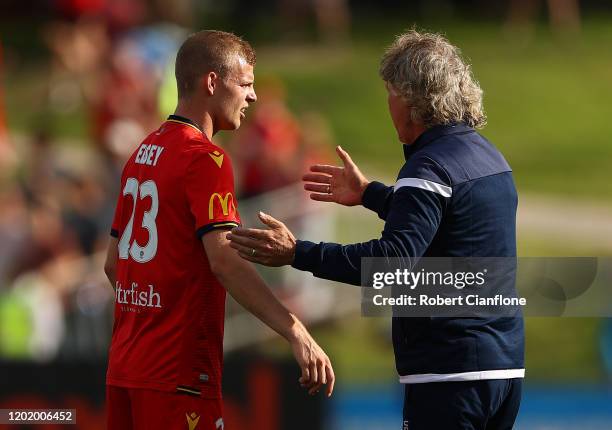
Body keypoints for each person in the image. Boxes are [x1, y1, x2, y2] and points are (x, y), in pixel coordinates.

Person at [228, 30, 524, 429]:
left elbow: (391, 262)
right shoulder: (488, 155)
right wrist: (371, 194)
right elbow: (447, 222)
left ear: (412, 100)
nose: (388, 104)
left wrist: (297, 253)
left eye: (390, 92)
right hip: (503, 368)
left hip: (448, 373)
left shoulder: (429, 166)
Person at [103, 30, 334, 430]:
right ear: (212, 82)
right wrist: (296, 331)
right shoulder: (206, 159)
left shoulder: (141, 153)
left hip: (125, 369)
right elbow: (224, 262)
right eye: (245, 84)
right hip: (178, 376)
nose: (253, 97)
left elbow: (112, 265)